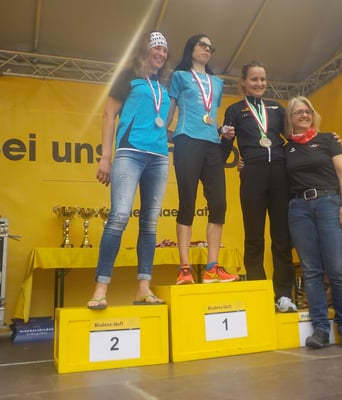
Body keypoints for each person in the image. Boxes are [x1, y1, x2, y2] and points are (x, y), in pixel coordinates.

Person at [87, 32, 170, 309]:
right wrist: (105, 157)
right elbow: (108, 115)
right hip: (130, 152)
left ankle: (143, 288)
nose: (161, 53)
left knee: (149, 223)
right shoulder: (128, 77)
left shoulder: (162, 85)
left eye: (164, 50)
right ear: (144, 50)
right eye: (157, 48)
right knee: (119, 217)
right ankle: (100, 289)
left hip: (159, 157)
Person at [221, 61, 296, 312]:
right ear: (243, 82)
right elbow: (224, 150)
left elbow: (293, 138)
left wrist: (321, 140)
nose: (259, 83)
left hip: (280, 174)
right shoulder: (234, 110)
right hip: (252, 174)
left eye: (263, 79)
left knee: (282, 237)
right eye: (254, 79)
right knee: (254, 237)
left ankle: (283, 294)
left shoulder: (276, 108)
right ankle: (258, 291)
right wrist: (223, 140)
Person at [284, 96, 342, 348]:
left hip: (330, 203)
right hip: (299, 209)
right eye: (298, 112)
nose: (304, 115)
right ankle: (320, 330)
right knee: (311, 271)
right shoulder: (286, 149)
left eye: (308, 111)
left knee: (337, 268)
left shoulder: (328, 140)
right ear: (290, 118)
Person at [167, 33, 239, 285]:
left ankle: (212, 268)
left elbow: (208, 115)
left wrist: (221, 130)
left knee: (219, 204)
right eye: (202, 45)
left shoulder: (217, 83)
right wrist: (159, 133)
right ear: (191, 48)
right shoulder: (179, 76)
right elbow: (169, 113)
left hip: (212, 145)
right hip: (186, 140)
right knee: (187, 201)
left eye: (211, 47)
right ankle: (185, 268)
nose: (207, 49)